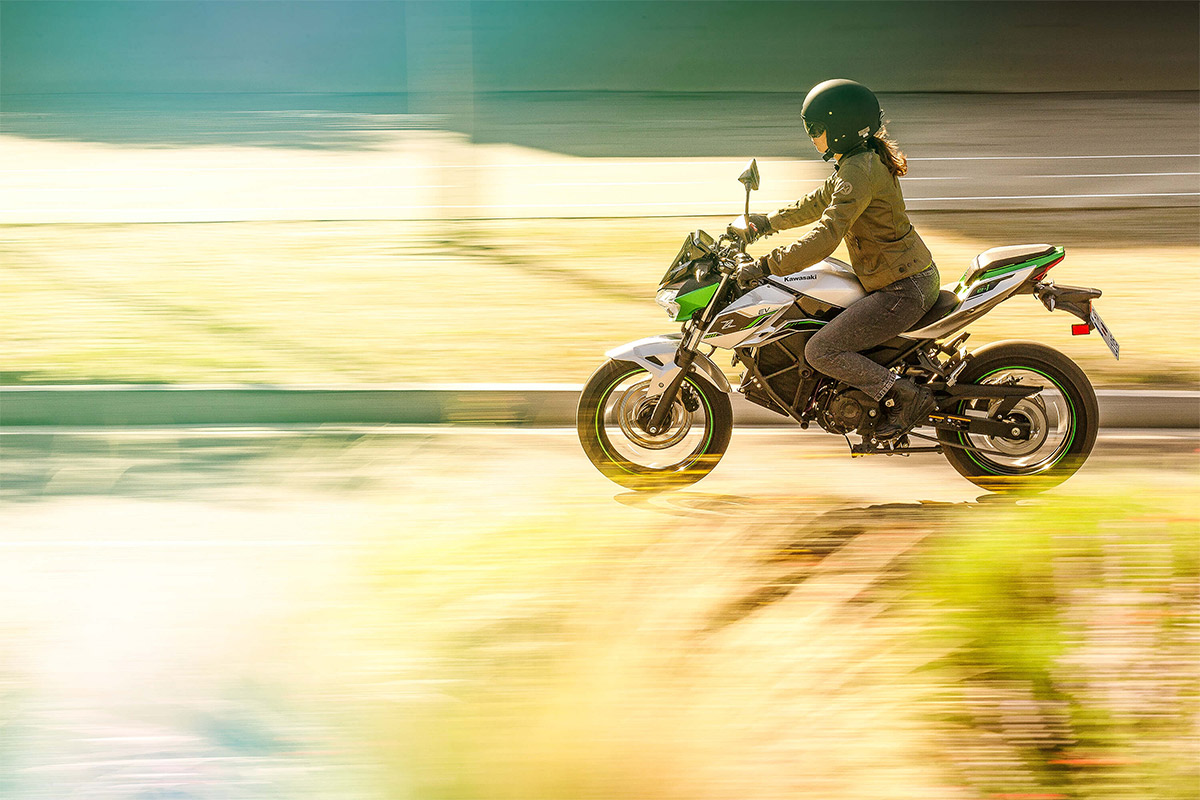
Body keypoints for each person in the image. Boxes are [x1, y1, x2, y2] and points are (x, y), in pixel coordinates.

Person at [739, 78, 939, 439]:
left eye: (817, 129)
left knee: (822, 350)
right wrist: (766, 223)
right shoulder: (857, 161)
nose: (812, 136)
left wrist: (768, 265)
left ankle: (903, 396)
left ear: (841, 127)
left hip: (901, 290)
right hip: (899, 278)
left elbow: (828, 234)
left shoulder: (860, 170)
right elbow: (817, 203)